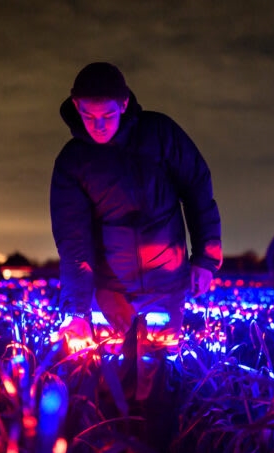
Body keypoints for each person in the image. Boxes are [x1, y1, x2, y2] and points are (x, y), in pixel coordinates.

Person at [50, 61, 222, 349]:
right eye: (88, 115)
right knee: (112, 381)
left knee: (161, 373)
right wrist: (78, 311)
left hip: (167, 286)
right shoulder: (73, 162)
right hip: (110, 294)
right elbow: (73, 241)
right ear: (76, 105)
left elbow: (197, 190)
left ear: (124, 103)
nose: (99, 125)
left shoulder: (160, 134)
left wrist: (205, 258)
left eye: (107, 114)